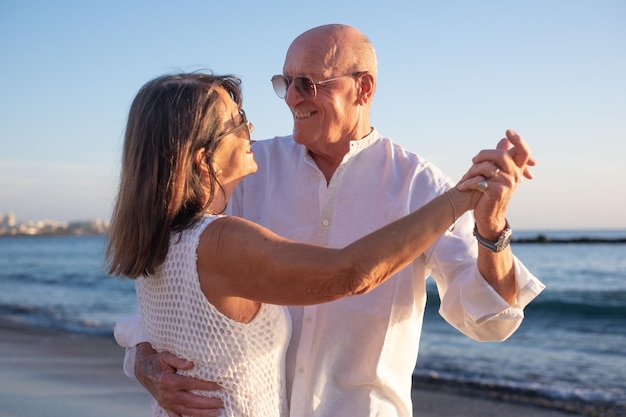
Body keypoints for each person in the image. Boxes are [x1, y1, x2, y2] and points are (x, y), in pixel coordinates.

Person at [115, 24, 545, 417]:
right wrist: (144, 361)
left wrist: (492, 229)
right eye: (285, 83)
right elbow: (171, 289)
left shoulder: (420, 185)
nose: (292, 98)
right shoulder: (243, 169)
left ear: (363, 88)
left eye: (308, 83)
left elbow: (490, 319)